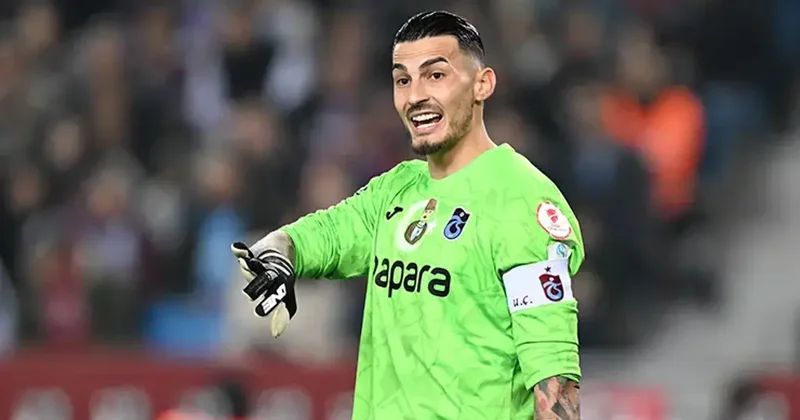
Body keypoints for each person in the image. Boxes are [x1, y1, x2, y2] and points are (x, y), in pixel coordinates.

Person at [231, 10, 583, 419]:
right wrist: (278, 251)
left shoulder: (521, 200)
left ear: (482, 84)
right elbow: (317, 236)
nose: (415, 96)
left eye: (436, 75)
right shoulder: (395, 190)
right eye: (403, 80)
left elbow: (554, 374)